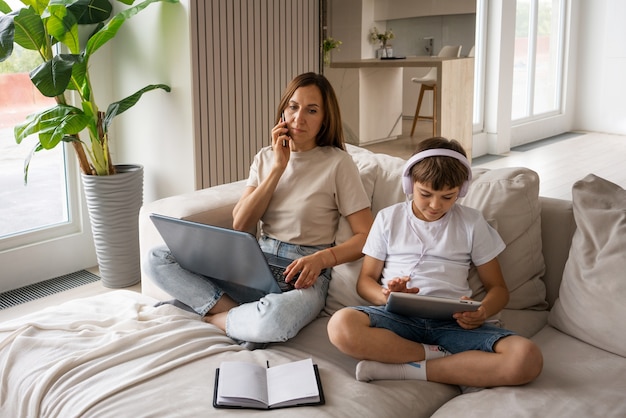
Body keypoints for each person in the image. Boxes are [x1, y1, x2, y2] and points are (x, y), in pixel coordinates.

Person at [148, 72, 373, 348]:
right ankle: (237, 316)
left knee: (275, 320)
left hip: (305, 271)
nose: (298, 118)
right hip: (256, 261)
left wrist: (322, 260)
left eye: (311, 110)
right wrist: (278, 168)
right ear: (283, 111)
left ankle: (217, 318)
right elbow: (241, 224)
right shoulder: (267, 157)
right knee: (158, 257)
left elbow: (366, 236)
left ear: (325, 118)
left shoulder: (338, 164)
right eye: (293, 107)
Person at [327, 137, 543, 389]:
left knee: (527, 358)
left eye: (448, 197)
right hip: (397, 320)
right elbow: (365, 282)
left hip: (454, 324)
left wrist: (482, 311)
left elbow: (498, 289)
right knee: (341, 326)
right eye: (425, 194)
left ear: (461, 191)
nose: (435, 205)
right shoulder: (388, 218)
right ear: (409, 184)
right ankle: (443, 358)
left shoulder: (472, 222)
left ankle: (405, 370)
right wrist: (386, 296)